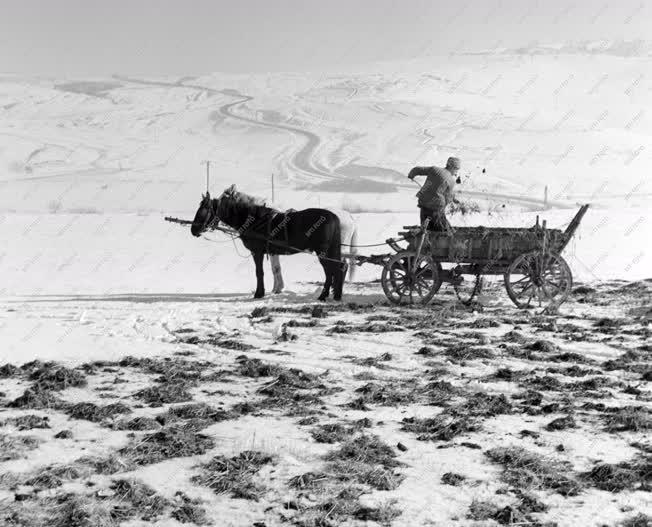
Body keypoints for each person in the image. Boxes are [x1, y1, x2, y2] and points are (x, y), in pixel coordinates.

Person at [407, 157, 460, 231]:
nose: (456, 172)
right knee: (445, 231)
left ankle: (424, 238)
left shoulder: (434, 169)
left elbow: (416, 169)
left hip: (423, 204)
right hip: (436, 208)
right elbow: (447, 197)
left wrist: (411, 175)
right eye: (457, 169)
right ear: (452, 167)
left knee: (426, 229)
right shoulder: (451, 181)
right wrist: (444, 208)